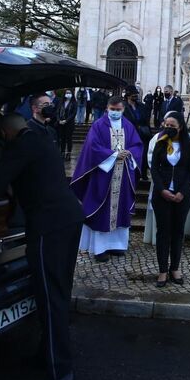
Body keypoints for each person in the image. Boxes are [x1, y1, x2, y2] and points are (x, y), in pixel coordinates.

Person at [0, 114, 83, 380]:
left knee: (49, 294)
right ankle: (48, 353)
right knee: (59, 290)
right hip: (69, 219)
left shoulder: (20, 147)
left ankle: (60, 371)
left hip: (49, 225)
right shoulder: (43, 140)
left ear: (6, 132)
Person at [71, 95, 144, 262]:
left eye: (119, 110)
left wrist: (130, 153)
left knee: (121, 209)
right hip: (103, 175)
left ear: (123, 110)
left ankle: (117, 245)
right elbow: (92, 147)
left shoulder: (128, 125)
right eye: (113, 110)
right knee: (102, 210)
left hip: (123, 175)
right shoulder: (98, 125)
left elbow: (137, 145)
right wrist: (113, 155)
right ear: (107, 108)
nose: (116, 112)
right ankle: (100, 248)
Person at [150, 111, 190, 287]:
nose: (168, 128)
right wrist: (161, 189)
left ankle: (175, 268)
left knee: (178, 232)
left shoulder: (189, 145)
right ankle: (163, 270)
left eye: (172, 126)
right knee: (163, 232)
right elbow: (154, 167)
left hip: (181, 195)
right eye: (166, 125)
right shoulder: (161, 142)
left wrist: (182, 192)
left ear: (181, 127)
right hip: (162, 195)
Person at [123, 87, 152, 164]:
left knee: (143, 155)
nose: (135, 96)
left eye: (136, 94)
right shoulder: (123, 107)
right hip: (130, 134)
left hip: (142, 134)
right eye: (133, 94)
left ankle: (142, 173)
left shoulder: (141, 106)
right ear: (128, 95)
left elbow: (146, 120)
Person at [55, 89, 78, 162]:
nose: (68, 94)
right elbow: (57, 112)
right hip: (61, 123)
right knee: (62, 139)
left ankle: (68, 154)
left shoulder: (74, 103)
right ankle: (62, 153)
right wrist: (59, 120)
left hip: (69, 124)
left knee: (68, 138)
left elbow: (73, 113)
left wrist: (66, 120)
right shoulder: (61, 102)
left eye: (69, 93)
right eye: (67, 93)